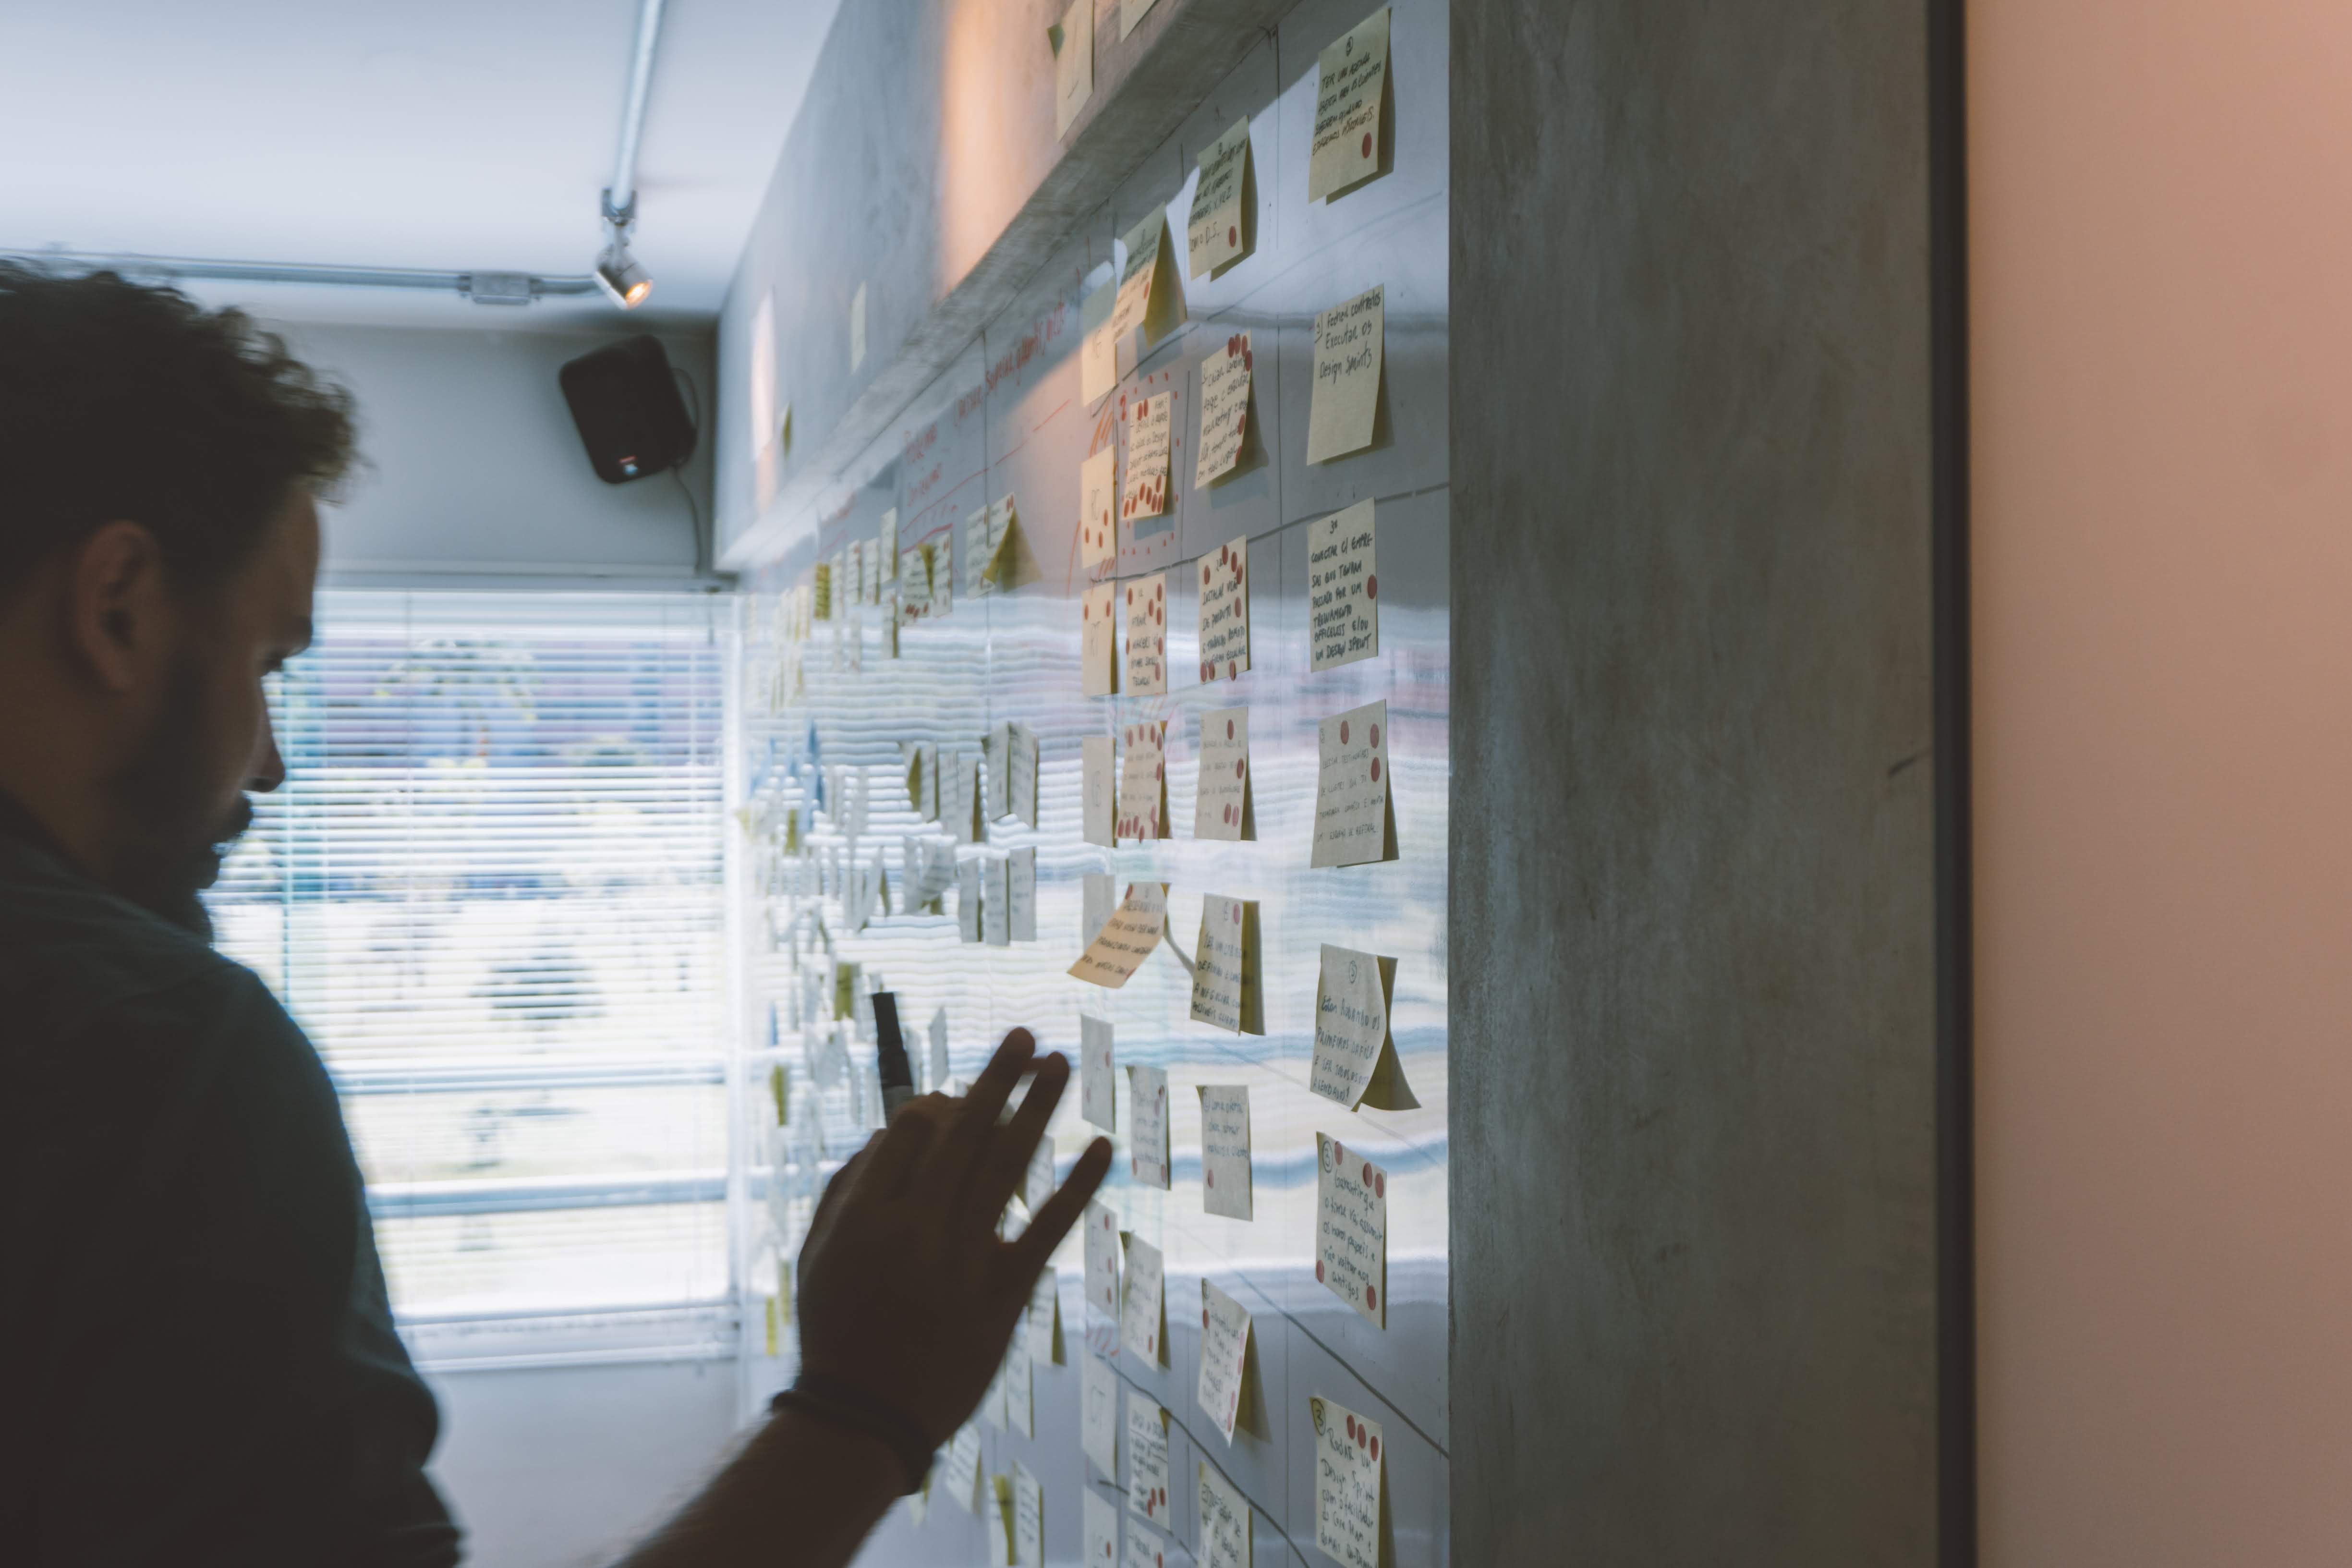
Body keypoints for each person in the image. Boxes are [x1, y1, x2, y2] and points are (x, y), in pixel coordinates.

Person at [0, 263, 1113, 1567]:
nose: (269, 764)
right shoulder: (155, 1051)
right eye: (268, 662)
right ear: (118, 606)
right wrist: (863, 1409)